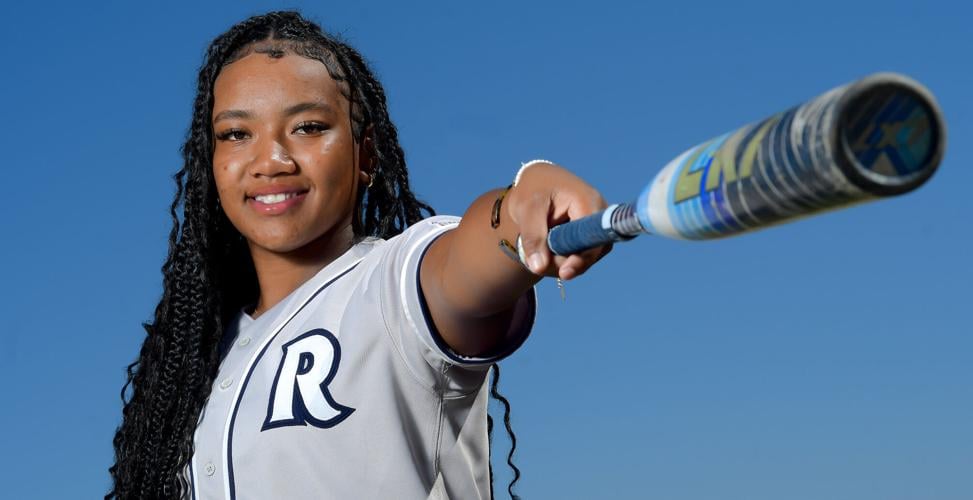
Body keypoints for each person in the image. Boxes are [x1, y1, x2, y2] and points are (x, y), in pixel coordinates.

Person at [108, 10, 610, 500]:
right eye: (237, 134)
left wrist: (521, 201)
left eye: (307, 127)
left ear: (365, 153)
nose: (271, 161)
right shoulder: (197, 362)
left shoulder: (393, 284)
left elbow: (469, 259)